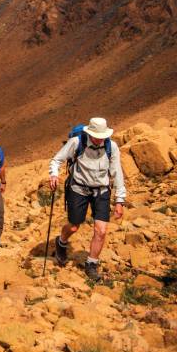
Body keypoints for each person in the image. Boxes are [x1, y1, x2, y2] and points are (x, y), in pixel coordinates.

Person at [48, 117, 127, 281]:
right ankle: (61, 242)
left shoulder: (111, 146)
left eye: (103, 136)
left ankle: (91, 264)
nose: (100, 139)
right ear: (89, 133)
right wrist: (54, 175)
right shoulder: (77, 142)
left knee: (101, 230)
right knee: (74, 226)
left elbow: (117, 172)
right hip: (79, 189)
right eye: (97, 136)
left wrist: (120, 200)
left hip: (102, 190)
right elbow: (56, 160)